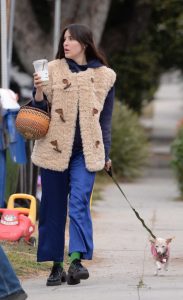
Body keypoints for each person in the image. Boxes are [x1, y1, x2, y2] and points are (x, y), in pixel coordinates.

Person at [31, 23, 116, 286]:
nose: (66, 43)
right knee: (53, 207)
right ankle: (56, 266)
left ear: (85, 43)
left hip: (86, 152)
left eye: (71, 39)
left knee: (79, 201)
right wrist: (39, 89)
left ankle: (76, 260)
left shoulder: (105, 76)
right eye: (64, 39)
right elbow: (38, 109)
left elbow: (105, 120)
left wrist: (106, 154)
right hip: (53, 149)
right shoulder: (52, 69)